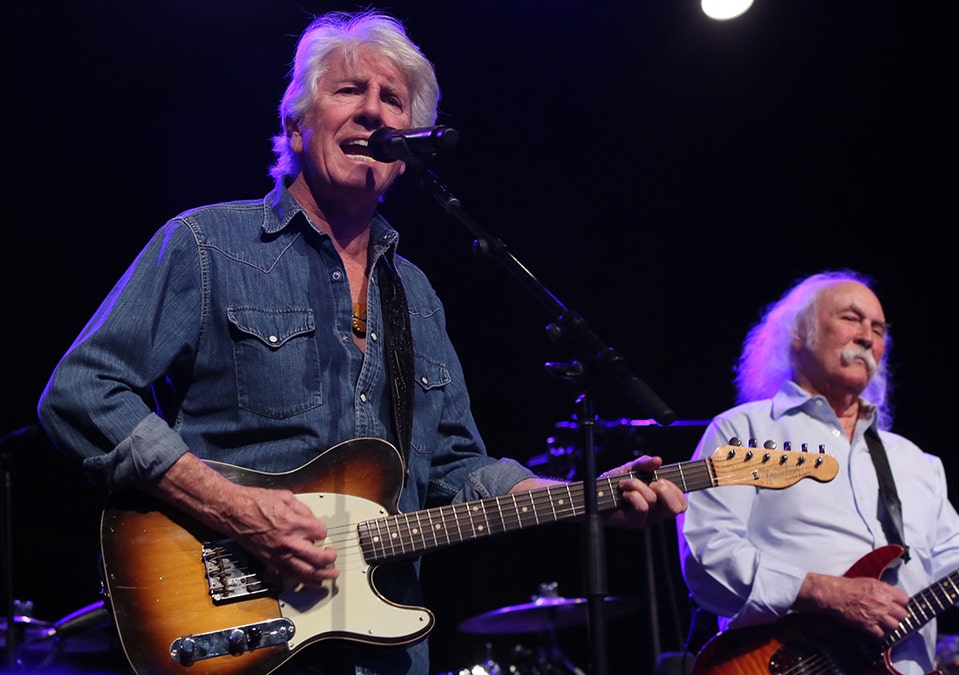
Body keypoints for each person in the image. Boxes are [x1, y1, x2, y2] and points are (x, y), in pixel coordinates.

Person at [36, 10, 685, 675]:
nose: (373, 112)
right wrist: (235, 508)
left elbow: (457, 470)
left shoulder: (417, 296)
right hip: (233, 631)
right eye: (349, 90)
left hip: (386, 653)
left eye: (392, 101)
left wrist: (585, 498)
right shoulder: (206, 246)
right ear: (296, 122)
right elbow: (82, 392)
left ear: (407, 152)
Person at [677, 270, 959, 675]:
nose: (868, 337)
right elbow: (707, 553)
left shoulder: (913, 461)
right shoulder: (744, 431)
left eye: (879, 328)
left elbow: (957, 562)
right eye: (851, 319)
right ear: (798, 334)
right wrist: (824, 592)